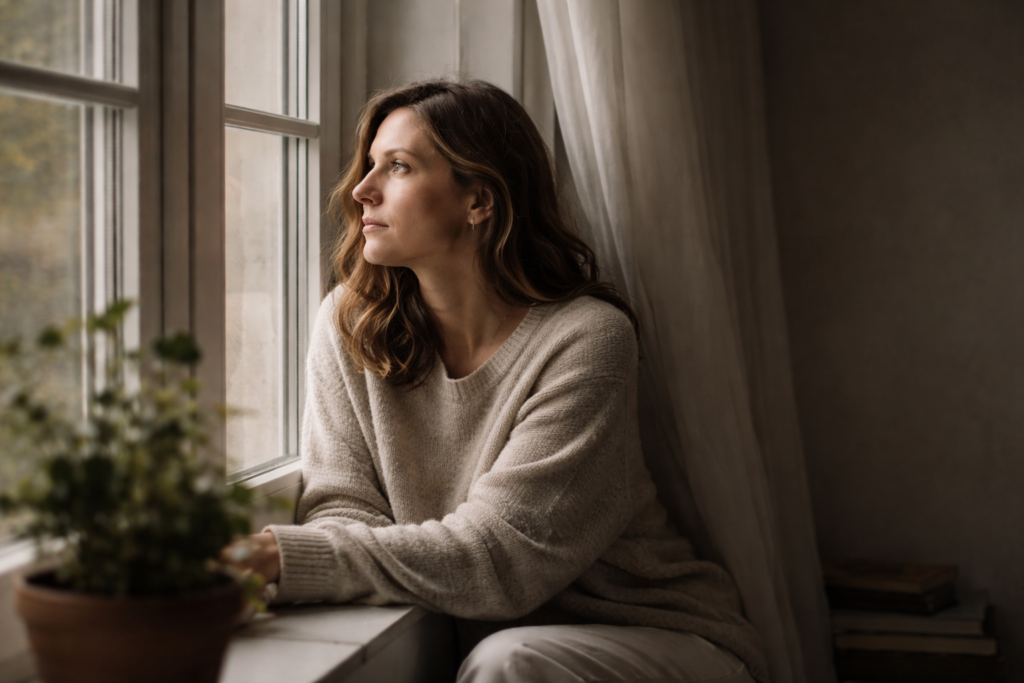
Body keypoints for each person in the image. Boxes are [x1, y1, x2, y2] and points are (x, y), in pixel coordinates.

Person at [223, 80, 767, 683]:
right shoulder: (349, 324)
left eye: (397, 167)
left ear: (478, 200)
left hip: (653, 635)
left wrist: (276, 554)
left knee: (509, 662)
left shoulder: (586, 338)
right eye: (369, 165)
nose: (361, 190)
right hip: (494, 644)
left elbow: (502, 557)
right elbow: (344, 506)